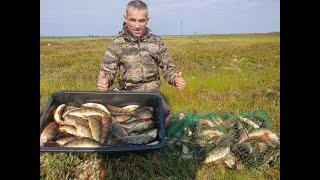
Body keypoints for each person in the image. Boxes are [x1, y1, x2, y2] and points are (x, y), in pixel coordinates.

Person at [97, 0, 185, 126]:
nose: (137, 25)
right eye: (133, 20)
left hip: (152, 94)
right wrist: (104, 81)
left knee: (163, 118)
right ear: (126, 19)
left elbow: (168, 66)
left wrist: (175, 78)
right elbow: (107, 72)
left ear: (147, 20)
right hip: (127, 94)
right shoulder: (116, 44)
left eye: (141, 20)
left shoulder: (156, 42)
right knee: (111, 121)